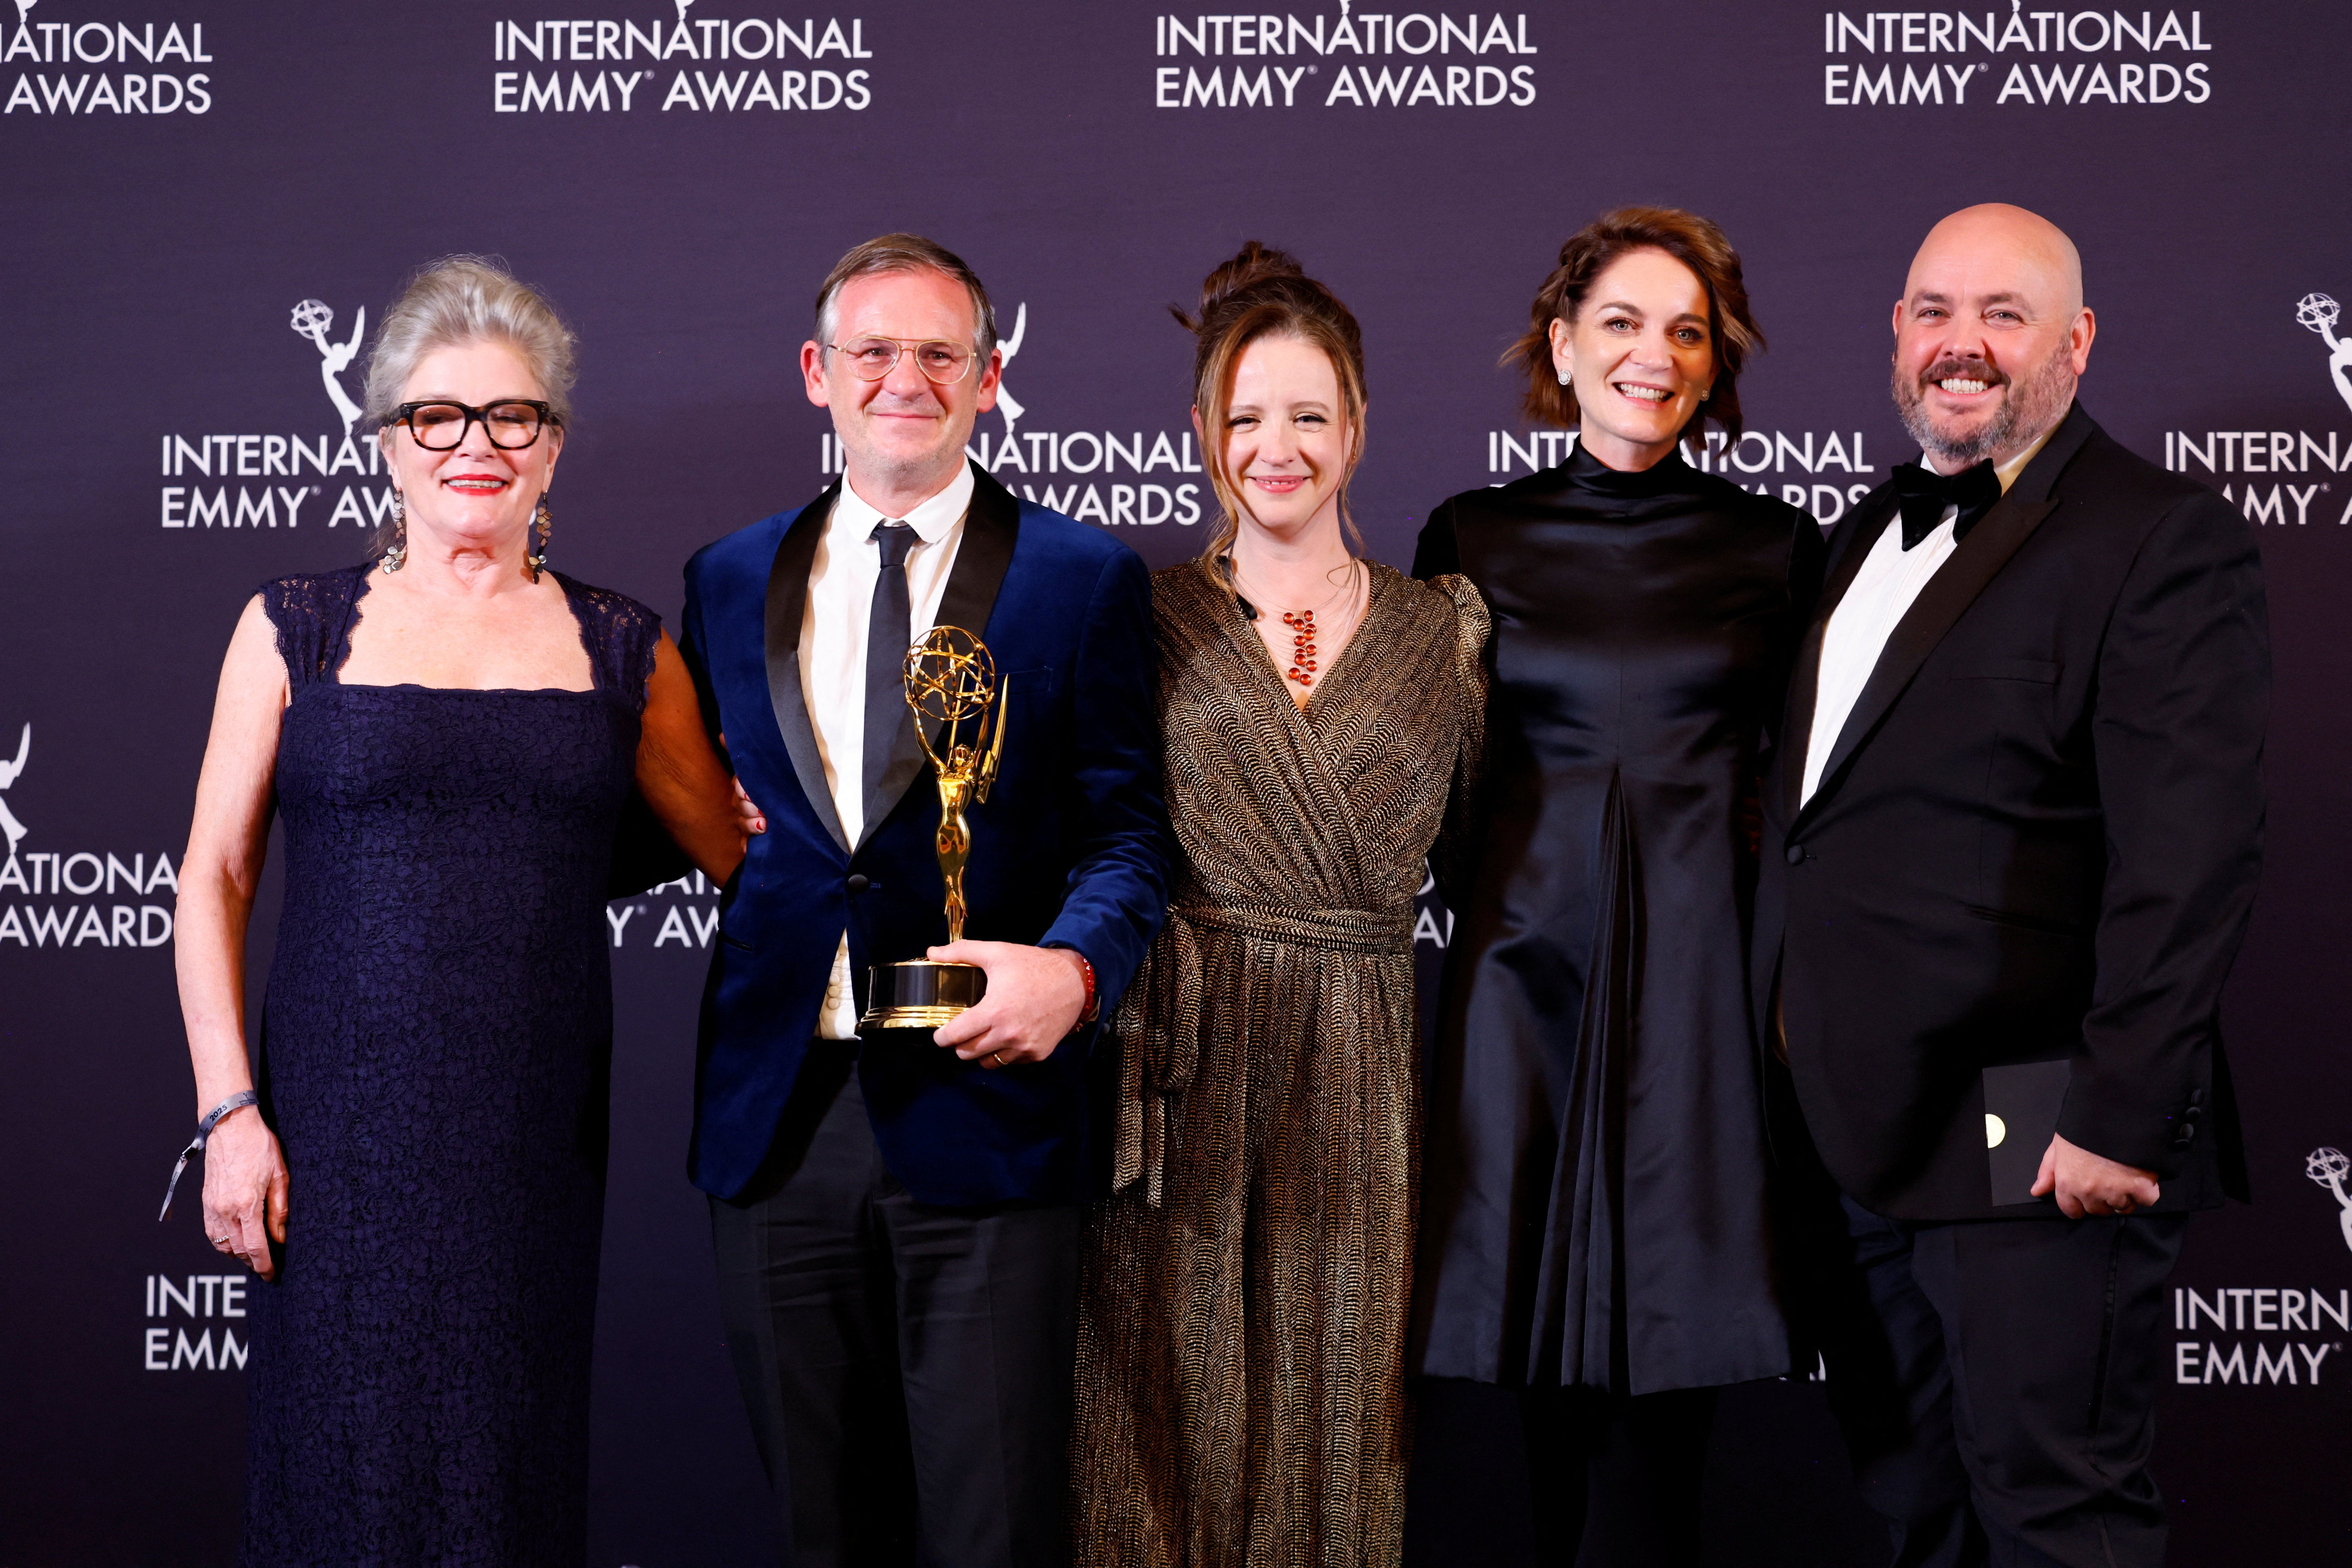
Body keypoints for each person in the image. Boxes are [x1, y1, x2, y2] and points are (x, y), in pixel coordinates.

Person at [170, 256, 748, 1565]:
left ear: (553, 448)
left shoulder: (623, 646)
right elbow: (211, 877)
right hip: (330, 1144)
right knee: (338, 1481)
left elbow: (730, 846)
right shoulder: (293, 630)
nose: (474, 446)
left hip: (528, 1147)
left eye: (513, 418)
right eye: (438, 416)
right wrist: (229, 1112)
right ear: (387, 442)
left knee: (506, 1481)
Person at [1758, 204, 2268, 1568]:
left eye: (2004, 315)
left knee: (2056, 1517)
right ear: (1897, 335)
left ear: (2078, 343)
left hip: (2041, 1138)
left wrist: (2119, 1114)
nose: (1960, 345)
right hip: (1859, 1141)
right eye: (1933, 312)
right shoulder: (1860, 533)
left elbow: (2190, 858)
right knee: (1919, 1510)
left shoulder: (2161, 537)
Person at [681, 234, 1169, 1568]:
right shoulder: (726, 578)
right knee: (822, 1531)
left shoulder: (1083, 577)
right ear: (816, 376)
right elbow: (681, 814)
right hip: (778, 1124)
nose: (906, 378)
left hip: (987, 1111)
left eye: (939, 354)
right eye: (873, 353)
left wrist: (1074, 973)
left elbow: (1132, 833)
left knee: (992, 1529)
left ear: (990, 377)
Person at [1405, 208, 1825, 1565]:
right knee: (1524, 1366)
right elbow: (1415, 772)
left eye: (1689, 333)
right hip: (1521, 983)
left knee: (1677, 1366)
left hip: (1707, 991)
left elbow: (1819, 790)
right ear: (1562, 345)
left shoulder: (1780, 548)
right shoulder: (1471, 533)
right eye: (1625, 324)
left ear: (1715, 369)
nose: (1657, 355)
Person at [1070, 244, 1488, 1568]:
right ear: (1203, 432)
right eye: (1247, 416)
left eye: (1310, 414)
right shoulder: (1137, 618)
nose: (1278, 446)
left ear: (1358, 428)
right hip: (1176, 1059)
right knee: (1154, 1425)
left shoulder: (1447, 632)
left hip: (1359, 1068)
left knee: (1338, 1415)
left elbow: (1489, 867)